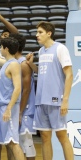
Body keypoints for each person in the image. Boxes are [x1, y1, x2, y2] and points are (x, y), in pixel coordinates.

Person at [26, 21, 74, 160]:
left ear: (49, 33)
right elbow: (42, 73)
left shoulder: (60, 48)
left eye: (40, 32)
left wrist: (65, 100)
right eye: (37, 32)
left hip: (55, 100)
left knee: (61, 136)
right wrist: (31, 65)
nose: (37, 35)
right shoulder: (41, 51)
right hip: (41, 100)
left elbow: (69, 74)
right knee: (45, 137)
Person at [9, 33, 36, 160]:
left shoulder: (23, 64)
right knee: (19, 142)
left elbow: (26, 90)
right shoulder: (15, 62)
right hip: (18, 107)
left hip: (25, 108)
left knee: (27, 141)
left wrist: (20, 111)